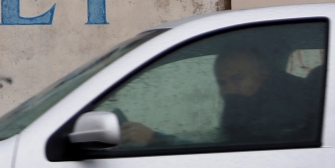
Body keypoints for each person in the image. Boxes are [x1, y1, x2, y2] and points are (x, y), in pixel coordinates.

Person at [120, 48, 322, 146]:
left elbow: (234, 154)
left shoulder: (282, 108)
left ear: (264, 73)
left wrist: (155, 139)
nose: (228, 89)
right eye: (222, 82)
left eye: (238, 78)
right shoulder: (248, 102)